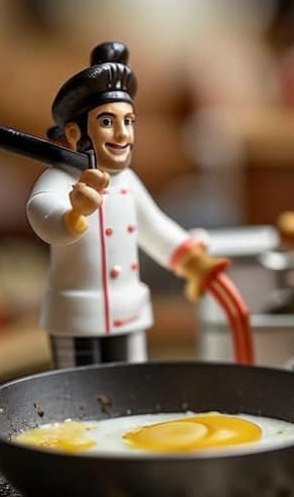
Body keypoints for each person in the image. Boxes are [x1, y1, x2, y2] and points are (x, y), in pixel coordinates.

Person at [27, 41, 227, 367]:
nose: (122, 134)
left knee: (128, 395)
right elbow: (41, 213)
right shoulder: (61, 179)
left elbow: (154, 227)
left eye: (129, 121)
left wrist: (192, 261)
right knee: (76, 396)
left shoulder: (127, 181)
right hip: (78, 316)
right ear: (76, 134)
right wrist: (75, 212)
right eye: (107, 122)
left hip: (128, 311)